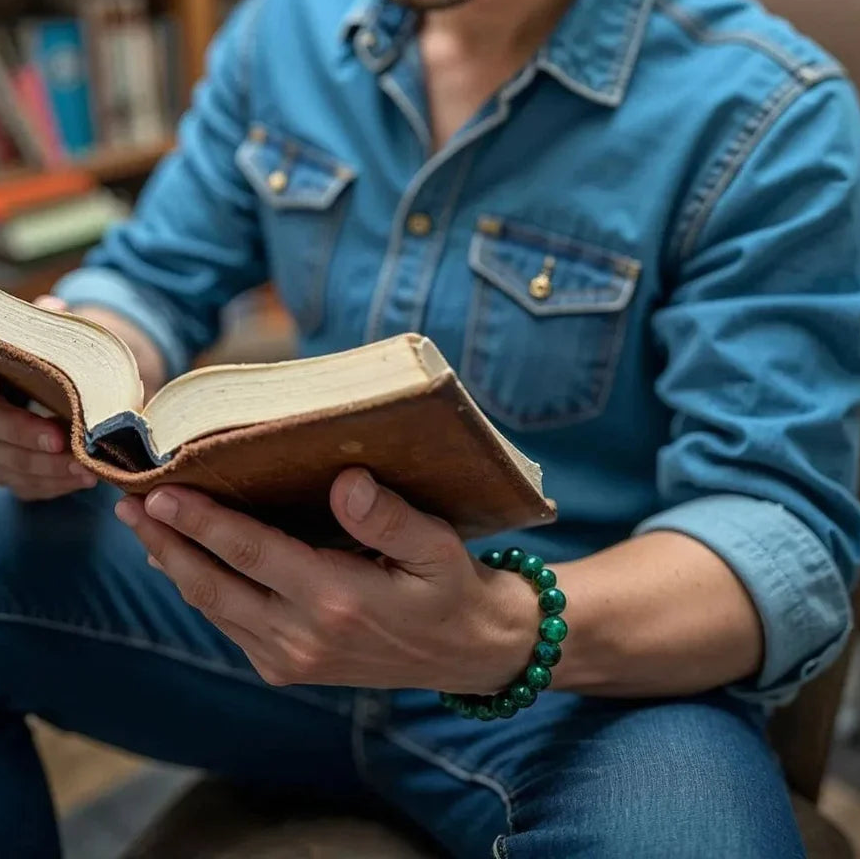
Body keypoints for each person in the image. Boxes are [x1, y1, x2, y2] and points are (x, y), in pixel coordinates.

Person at [2, 0, 860, 856]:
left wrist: (492, 632)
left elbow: (776, 537)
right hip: (271, 608)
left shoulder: (767, 112)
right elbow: (154, 277)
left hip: (577, 673)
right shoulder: (282, 33)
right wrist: (69, 372)